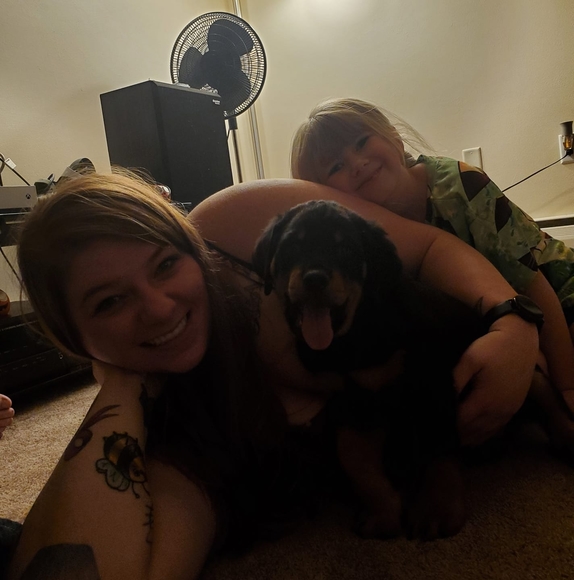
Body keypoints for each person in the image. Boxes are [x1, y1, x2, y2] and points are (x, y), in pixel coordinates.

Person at [6, 170, 538, 579]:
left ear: (191, 246)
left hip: (477, 330)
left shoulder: (232, 222)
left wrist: (510, 321)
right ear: (72, 338)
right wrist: (122, 386)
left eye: (166, 264)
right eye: (109, 302)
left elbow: (429, 248)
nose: (160, 309)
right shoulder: (179, 437)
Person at [289, 97, 574, 427]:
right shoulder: (360, 240)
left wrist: (567, 387)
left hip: (557, 287)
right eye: (335, 166)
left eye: (362, 142)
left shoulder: (460, 185)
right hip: (486, 319)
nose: (356, 163)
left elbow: (534, 283)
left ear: (394, 138)